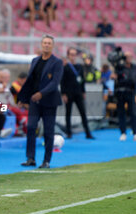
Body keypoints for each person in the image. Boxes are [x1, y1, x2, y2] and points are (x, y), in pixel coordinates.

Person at [17, 35, 63, 169]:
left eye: (49, 43)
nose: (47, 45)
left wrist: (41, 94)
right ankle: (30, 158)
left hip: (49, 102)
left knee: (48, 131)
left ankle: (46, 161)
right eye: (45, 43)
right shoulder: (35, 60)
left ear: (53, 46)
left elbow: (55, 83)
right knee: (31, 127)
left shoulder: (57, 62)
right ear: (41, 45)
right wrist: (23, 98)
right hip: (34, 102)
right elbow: (30, 82)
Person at [61, 48, 94, 139]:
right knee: (68, 113)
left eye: (74, 54)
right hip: (69, 94)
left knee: (83, 113)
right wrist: (63, 94)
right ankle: (69, 133)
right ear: (68, 55)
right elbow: (62, 82)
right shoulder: (65, 67)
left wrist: (83, 92)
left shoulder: (79, 67)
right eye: (71, 54)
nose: (73, 56)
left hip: (78, 93)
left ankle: (88, 133)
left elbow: (82, 80)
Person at [110, 51, 136, 141]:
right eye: (126, 57)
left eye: (129, 56)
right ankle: (123, 133)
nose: (128, 59)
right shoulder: (119, 67)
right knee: (121, 113)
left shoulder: (134, 67)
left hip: (131, 92)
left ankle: (135, 132)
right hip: (120, 92)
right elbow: (114, 77)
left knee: (133, 112)